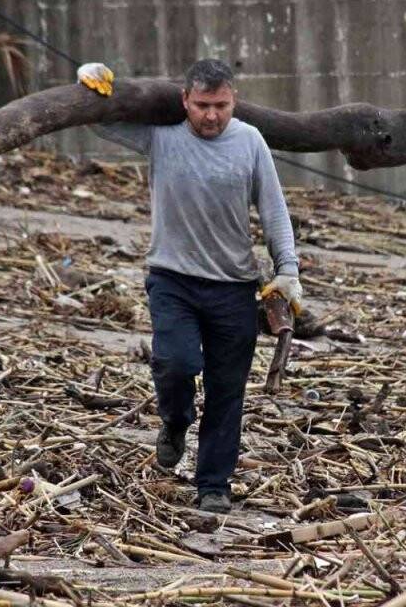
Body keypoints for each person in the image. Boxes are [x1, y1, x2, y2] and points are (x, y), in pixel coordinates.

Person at [77, 59, 302, 513]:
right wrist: (90, 80)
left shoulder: (250, 141)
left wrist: (288, 270)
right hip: (172, 278)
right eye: (202, 105)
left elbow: (273, 209)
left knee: (227, 389)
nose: (212, 115)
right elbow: (101, 122)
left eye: (220, 105)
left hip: (234, 285)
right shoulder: (162, 135)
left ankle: (214, 483)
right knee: (175, 363)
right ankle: (175, 420)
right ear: (185, 100)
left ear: (233, 101)